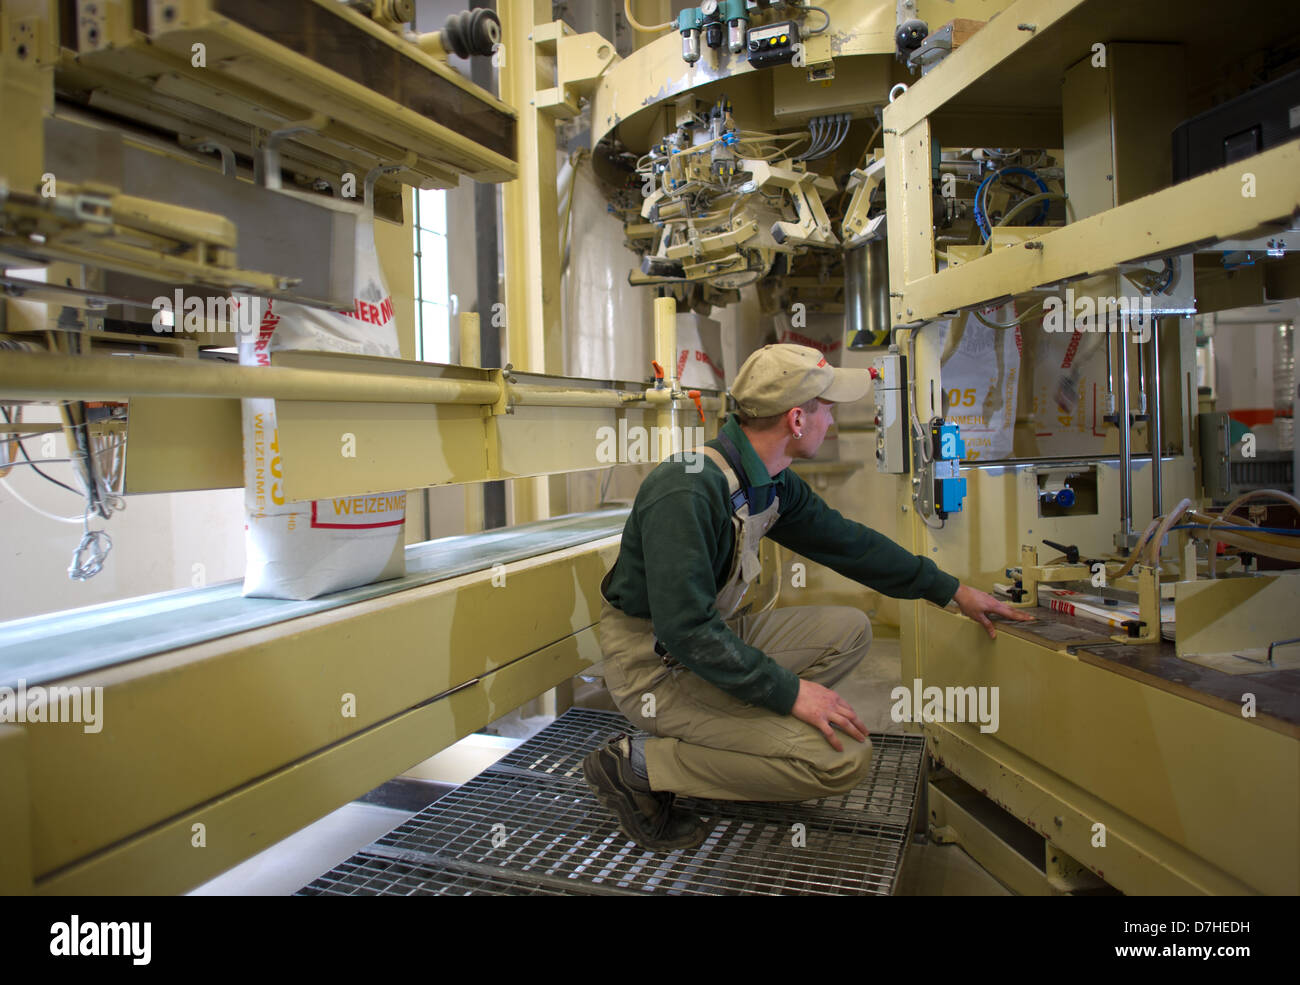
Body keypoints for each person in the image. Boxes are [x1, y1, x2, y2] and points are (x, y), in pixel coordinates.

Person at [583, 343, 1032, 851]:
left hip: (705, 647)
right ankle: (635, 765)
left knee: (849, 631)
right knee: (839, 761)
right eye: (828, 407)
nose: (834, 421)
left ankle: (731, 739)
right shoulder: (687, 490)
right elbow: (685, 629)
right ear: (798, 419)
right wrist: (790, 693)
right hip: (656, 668)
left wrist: (952, 592)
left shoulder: (767, 481)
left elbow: (849, 545)